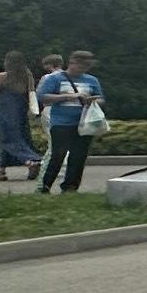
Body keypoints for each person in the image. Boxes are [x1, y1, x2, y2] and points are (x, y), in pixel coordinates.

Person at [36, 51, 104, 194]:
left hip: (84, 123)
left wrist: (92, 101)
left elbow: (101, 99)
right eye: (80, 66)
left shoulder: (92, 80)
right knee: (58, 155)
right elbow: (43, 97)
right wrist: (69, 96)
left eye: (86, 67)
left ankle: (70, 187)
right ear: (72, 63)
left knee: (78, 156)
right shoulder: (55, 79)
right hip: (61, 123)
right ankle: (45, 185)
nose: (82, 70)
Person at [0, 51, 40, 181]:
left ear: (8, 62)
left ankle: (31, 161)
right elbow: (31, 93)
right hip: (21, 112)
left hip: (6, 113)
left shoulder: (3, 76)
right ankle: (1, 171)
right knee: (18, 139)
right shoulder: (27, 76)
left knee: (8, 140)